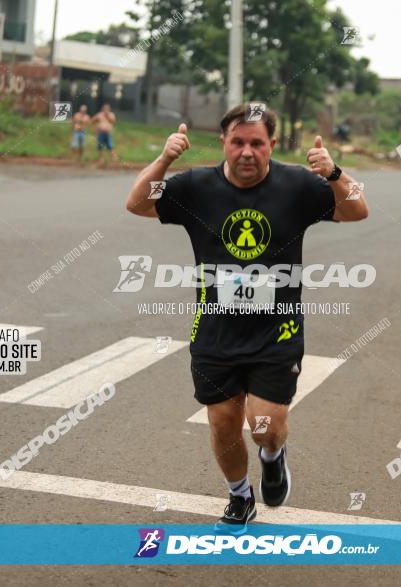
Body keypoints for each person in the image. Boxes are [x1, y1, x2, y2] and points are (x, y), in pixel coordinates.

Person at [125, 104, 368, 532]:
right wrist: (165, 160)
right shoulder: (197, 186)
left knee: (264, 427)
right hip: (215, 331)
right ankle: (239, 495)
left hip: (277, 331)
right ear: (224, 143)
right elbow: (137, 204)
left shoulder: (296, 184)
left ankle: (273, 457)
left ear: (272, 145)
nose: (247, 152)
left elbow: (356, 209)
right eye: (238, 142)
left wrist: (333, 173)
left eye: (257, 143)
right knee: (222, 423)